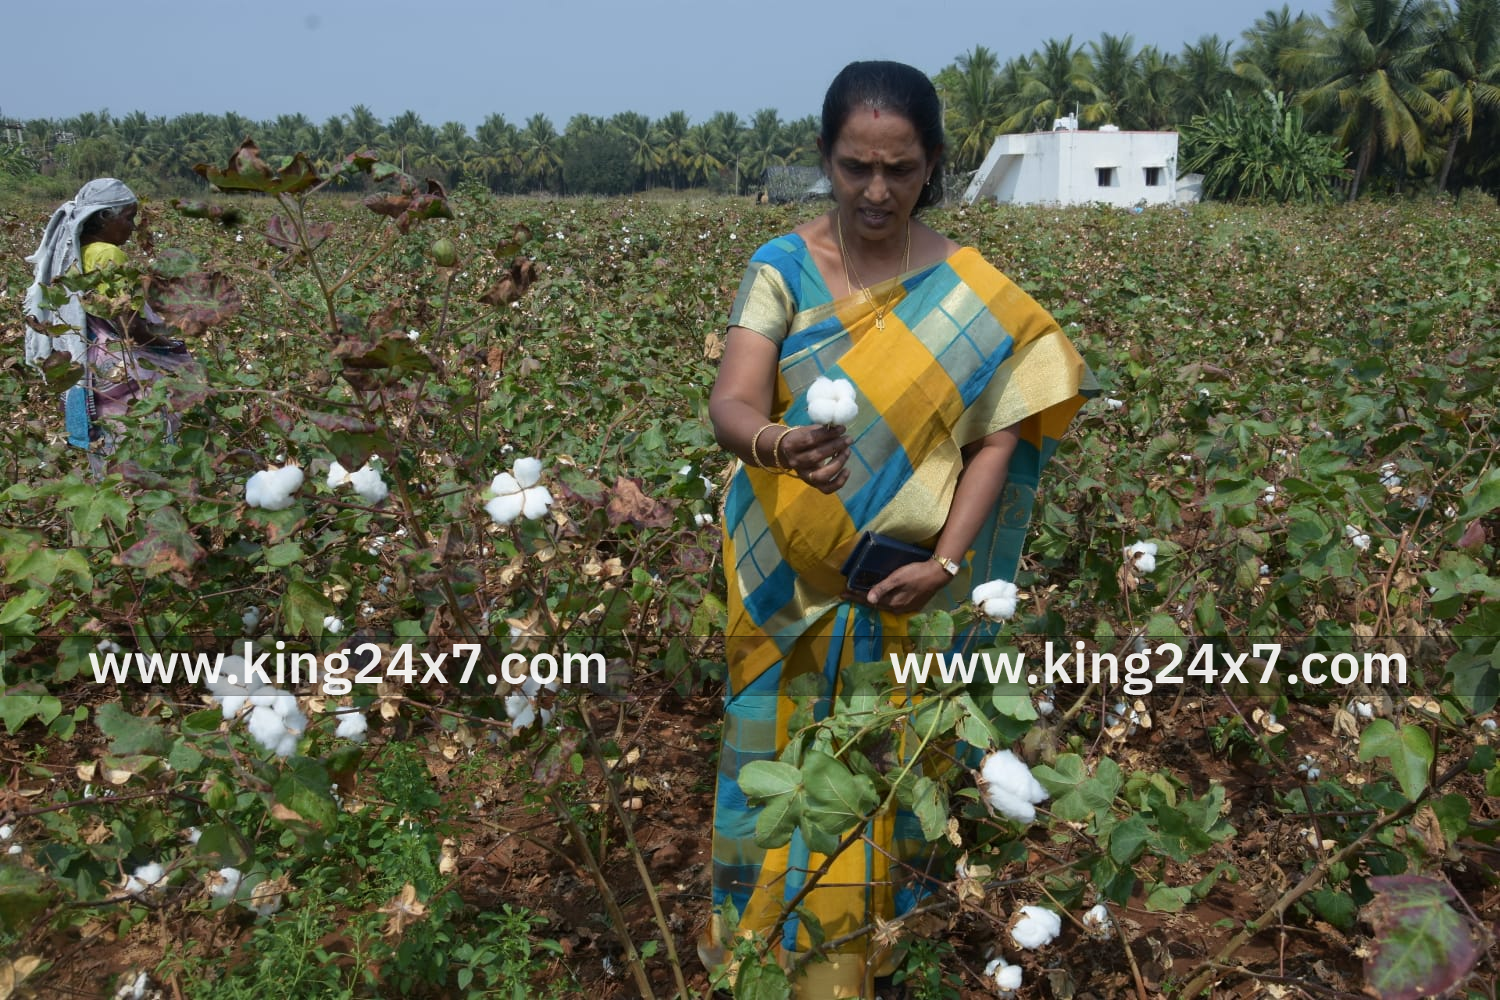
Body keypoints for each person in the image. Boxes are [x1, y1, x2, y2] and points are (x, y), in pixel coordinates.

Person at [704, 60, 1095, 996]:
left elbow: (998, 438)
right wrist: (780, 442)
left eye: (900, 169)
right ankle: (759, 955)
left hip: (899, 587)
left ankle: (855, 961)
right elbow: (731, 401)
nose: (876, 191)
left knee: (879, 765)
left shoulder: (972, 294)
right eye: (855, 167)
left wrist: (947, 566)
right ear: (824, 159)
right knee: (770, 764)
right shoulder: (782, 268)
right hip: (780, 579)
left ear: (933, 164)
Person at [23, 178, 195, 459]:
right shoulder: (107, 254)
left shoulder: (72, 254)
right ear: (103, 217)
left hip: (88, 363)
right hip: (118, 364)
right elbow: (128, 324)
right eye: (128, 218)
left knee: (109, 450)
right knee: (146, 443)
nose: (133, 227)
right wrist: (171, 348)